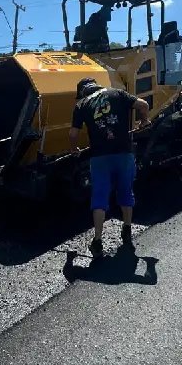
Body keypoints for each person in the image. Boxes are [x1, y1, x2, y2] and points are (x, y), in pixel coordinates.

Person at [69, 78, 150, 258]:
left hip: (99, 157)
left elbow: (73, 133)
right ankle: (127, 228)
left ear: (82, 92)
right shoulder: (117, 93)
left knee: (99, 196)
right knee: (126, 191)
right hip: (124, 154)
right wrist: (144, 120)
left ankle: (98, 240)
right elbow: (143, 105)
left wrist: (74, 149)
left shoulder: (81, 105)